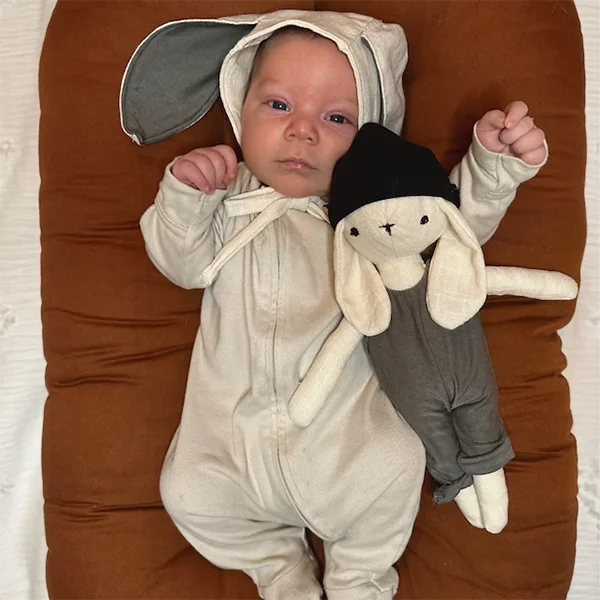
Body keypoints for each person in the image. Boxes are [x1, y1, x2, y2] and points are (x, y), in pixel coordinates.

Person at [136, 12, 547, 600]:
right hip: (230, 443)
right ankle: (278, 569)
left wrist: (492, 167)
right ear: (240, 106)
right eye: (278, 105)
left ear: (371, 132)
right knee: (187, 493)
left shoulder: (368, 212)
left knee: (395, 459)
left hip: (344, 442)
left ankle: (360, 578)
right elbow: (181, 264)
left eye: (335, 118)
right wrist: (186, 196)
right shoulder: (226, 198)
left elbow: (448, 230)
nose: (302, 131)